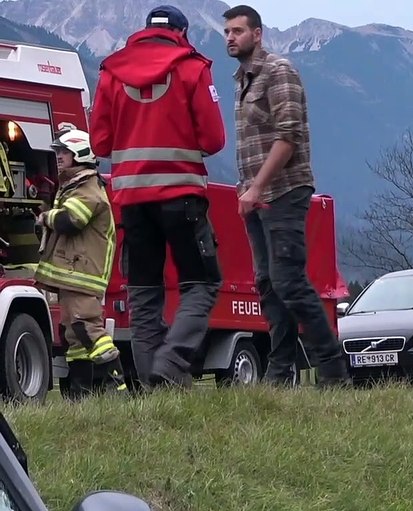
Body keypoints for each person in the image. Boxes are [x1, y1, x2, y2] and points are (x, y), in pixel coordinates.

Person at [89, 5, 226, 389]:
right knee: (201, 284)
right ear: (181, 33)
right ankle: (171, 362)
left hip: (131, 200)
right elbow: (214, 140)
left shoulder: (111, 71)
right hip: (181, 196)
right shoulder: (194, 67)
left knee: (144, 293)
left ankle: (154, 385)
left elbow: (99, 142)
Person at [224, 4, 350, 387]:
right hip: (255, 196)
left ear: (258, 34)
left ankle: (332, 372)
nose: (230, 37)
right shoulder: (241, 79)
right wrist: (246, 186)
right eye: (227, 32)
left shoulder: (278, 72)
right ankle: (279, 372)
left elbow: (288, 136)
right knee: (268, 284)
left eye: (238, 31)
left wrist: (258, 185)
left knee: (289, 281)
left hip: (285, 191)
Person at [34, 125, 129, 399]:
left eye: (63, 151)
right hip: (72, 272)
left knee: (87, 327)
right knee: (75, 336)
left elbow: (71, 220)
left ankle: (118, 388)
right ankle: (80, 394)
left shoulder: (87, 187)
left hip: (82, 273)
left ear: (79, 154)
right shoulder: (76, 184)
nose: (59, 156)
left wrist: (46, 217)